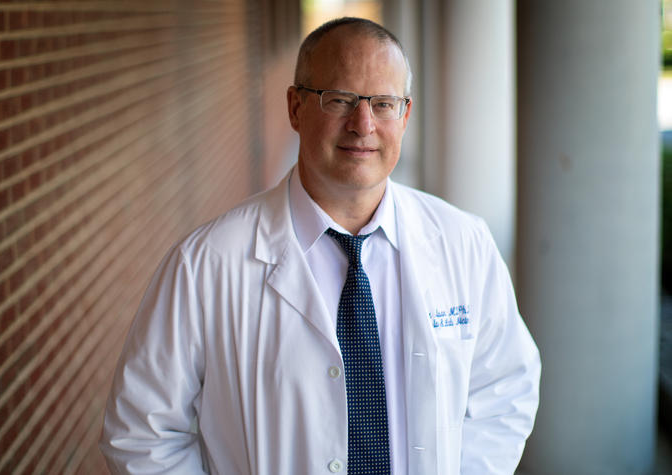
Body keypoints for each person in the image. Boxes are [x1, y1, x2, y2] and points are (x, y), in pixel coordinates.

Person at [100, 17, 540, 475]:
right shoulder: (206, 265)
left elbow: (506, 389)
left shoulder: (463, 243)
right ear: (295, 108)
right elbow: (141, 433)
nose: (363, 124)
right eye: (340, 99)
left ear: (405, 116)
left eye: (383, 104)